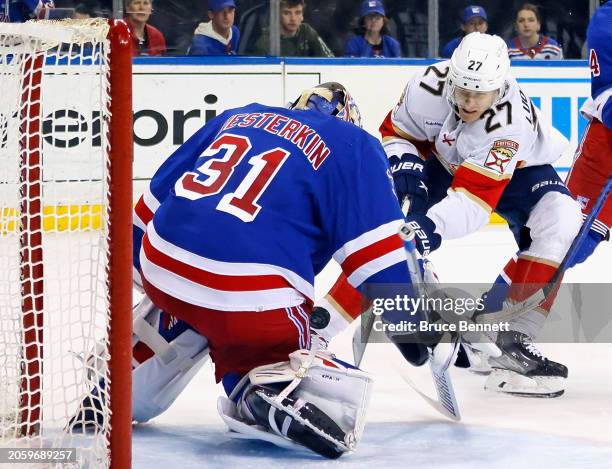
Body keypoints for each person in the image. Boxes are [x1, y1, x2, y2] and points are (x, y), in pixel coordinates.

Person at [71, 82, 423, 458]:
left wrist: (153, 282)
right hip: (249, 298)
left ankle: (140, 354)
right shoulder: (354, 146)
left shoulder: (238, 116)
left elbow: (146, 212)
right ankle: (264, 385)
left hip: (162, 262)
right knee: (318, 382)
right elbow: (379, 266)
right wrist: (417, 336)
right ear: (350, 120)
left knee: (197, 300)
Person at [316, 32, 583, 398]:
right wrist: (403, 156)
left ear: (500, 86)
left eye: (479, 94)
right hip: (442, 158)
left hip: (518, 168)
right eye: (462, 90)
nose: (468, 101)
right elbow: (395, 132)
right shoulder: (428, 84)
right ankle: (318, 331)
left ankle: (506, 337)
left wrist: (429, 229)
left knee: (562, 218)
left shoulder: (508, 127)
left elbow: (473, 203)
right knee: (389, 239)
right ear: (451, 76)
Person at [565, 0, 611, 266]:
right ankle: (502, 302)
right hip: (607, 140)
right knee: (570, 242)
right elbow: (606, 90)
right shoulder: (608, 21)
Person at [252, 0, 334, 57]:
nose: (293, 18)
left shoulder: (306, 31)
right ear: (278, 15)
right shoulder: (266, 42)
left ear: (302, 16)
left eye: (298, 13)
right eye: (287, 13)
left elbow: (330, 61)